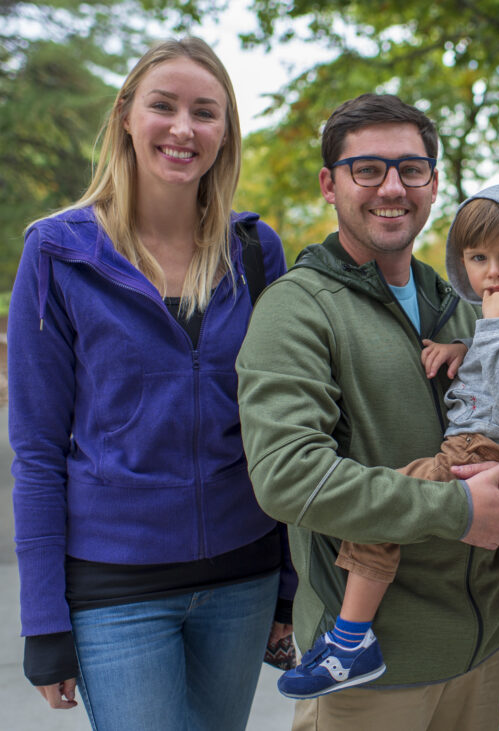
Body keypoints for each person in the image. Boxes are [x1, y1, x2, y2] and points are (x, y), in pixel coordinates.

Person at [235, 94, 499, 731]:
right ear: (330, 184)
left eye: (412, 169)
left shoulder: (476, 308)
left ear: (434, 184)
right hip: (370, 677)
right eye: (368, 170)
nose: (393, 187)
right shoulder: (298, 309)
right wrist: (460, 509)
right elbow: (288, 476)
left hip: (482, 651)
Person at [8, 37, 292, 730]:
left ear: (224, 134)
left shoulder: (257, 253)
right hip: (116, 585)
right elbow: (38, 451)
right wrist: (44, 620)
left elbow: (285, 428)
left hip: (243, 575)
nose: (182, 128)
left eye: (205, 112)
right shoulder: (56, 253)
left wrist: (289, 584)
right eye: (163, 106)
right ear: (126, 116)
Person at [276, 183, 499, 699]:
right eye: (478, 257)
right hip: (490, 448)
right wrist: (462, 346)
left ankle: (351, 643)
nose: (492, 272)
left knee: (378, 515)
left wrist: (488, 327)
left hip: (478, 450)